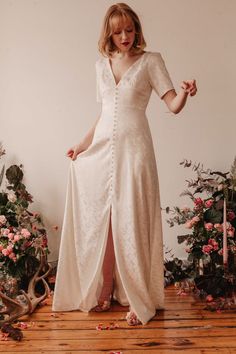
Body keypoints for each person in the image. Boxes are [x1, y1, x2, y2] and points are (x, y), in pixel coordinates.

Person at [52, 2, 197, 326]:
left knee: (132, 220)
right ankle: (104, 290)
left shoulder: (150, 61)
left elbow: (172, 105)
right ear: (109, 33)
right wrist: (81, 144)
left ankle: (137, 298)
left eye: (129, 29)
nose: (125, 36)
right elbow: (105, 114)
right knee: (103, 223)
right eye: (118, 31)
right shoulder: (101, 65)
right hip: (102, 150)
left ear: (136, 30)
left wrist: (186, 93)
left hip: (135, 150)